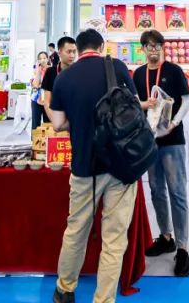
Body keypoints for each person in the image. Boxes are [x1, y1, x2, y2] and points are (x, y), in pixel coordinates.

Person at [45, 29, 139, 303]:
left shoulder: (64, 78)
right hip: (121, 166)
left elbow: (58, 124)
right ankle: (103, 299)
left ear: (77, 49)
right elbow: (134, 108)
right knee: (114, 239)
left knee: (76, 231)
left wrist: (80, 121)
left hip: (84, 166)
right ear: (101, 46)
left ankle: (65, 289)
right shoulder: (117, 67)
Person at [133, 30, 189, 277]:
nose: (154, 49)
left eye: (157, 45)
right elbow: (134, 103)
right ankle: (166, 237)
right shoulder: (138, 74)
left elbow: (187, 100)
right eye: (149, 45)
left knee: (177, 192)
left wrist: (174, 123)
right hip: (149, 141)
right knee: (156, 190)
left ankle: (182, 247)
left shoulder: (174, 71)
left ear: (163, 47)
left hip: (172, 140)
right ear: (143, 49)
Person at [40, 36, 78, 108]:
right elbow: (47, 101)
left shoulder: (79, 71)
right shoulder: (50, 72)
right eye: (69, 52)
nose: (72, 55)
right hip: (55, 112)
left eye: (74, 52)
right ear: (59, 52)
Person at [31, 50, 51, 130]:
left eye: (44, 58)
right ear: (38, 60)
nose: (42, 60)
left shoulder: (52, 70)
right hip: (36, 100)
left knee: (48, 123)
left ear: (47, 59)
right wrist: (38, 71)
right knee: (36, 123)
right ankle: (35, 138)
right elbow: (35, 85)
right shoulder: (36, 70)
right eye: (40, 58)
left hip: (48, 99)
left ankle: (48, 138)